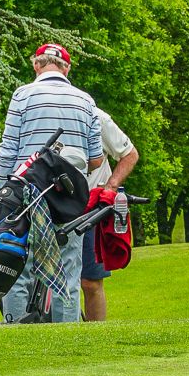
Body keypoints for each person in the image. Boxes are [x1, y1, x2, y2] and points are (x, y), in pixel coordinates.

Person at [0, 43, 104, 323]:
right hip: (69, 196)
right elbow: (95, 159)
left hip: (26, 190)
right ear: (66, 68)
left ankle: (15, 326)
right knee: (68, 267)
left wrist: (1, 192)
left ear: (36, 65)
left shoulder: (22, 95)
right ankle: (66, 329)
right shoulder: (86, 100)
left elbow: (8, 149)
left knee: (18, 262)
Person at [80, 107, 140, 322]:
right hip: (54, 206)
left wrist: (111, 187)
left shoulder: (97, 117)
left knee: (90, 281)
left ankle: (96, 337)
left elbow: (129, 154)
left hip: (90, 208)